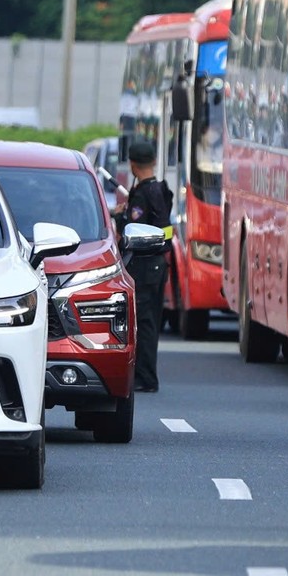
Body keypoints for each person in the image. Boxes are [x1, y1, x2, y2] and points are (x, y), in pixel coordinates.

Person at [118, 136, 173, 393]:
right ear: (153, 161)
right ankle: (146, 376)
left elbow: (132, 227)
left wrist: (120, 217)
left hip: (144, 264)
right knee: (150, 322)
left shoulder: (142, 194)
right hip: (158, 264)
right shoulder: (161, 189)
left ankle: (145, 378)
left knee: (144, 324)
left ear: (132, 165)